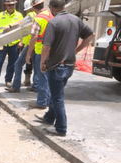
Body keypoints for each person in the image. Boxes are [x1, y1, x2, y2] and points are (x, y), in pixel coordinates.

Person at [35, 0, 94, 136]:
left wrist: (42, 63)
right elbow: (91, 36)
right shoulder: (76, 20)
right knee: (56, 92)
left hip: (56, 66)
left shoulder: (53, 23)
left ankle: (61, 128)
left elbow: (46, 47)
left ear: (51, 8)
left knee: (57, 98)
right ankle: (50, 117)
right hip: (69, 66)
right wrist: (75, 51)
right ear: (63, 7)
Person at [25, 0, 53, 109]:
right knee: (49, 77)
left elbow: (35, 37)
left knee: (42, 77)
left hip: (41, 52)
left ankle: (41, 102)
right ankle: (48, 101)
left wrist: (28, 54)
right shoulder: (51, 15)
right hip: (52, 51)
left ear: (33, 8)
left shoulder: (38, 19)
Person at [5, 0, 37, 93]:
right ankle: (35, 85)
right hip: (38, 45)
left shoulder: (31, 15)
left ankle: (16, 86)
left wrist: (10, 26)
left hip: (31, 44)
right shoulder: (41, 15)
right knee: (36, 66)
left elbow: (21, 22)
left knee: (18, 64)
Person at [0, 0, 24, 89]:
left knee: (12, 63)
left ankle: (8, 80)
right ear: (6, 6)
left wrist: (21, 41)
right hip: (2, 43)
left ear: (14, 5)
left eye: (12, 5)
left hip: (14, 43)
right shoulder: (1, 15)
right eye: (8, 5)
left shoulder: (19, 15)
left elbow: (22, 30)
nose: (10, 7)